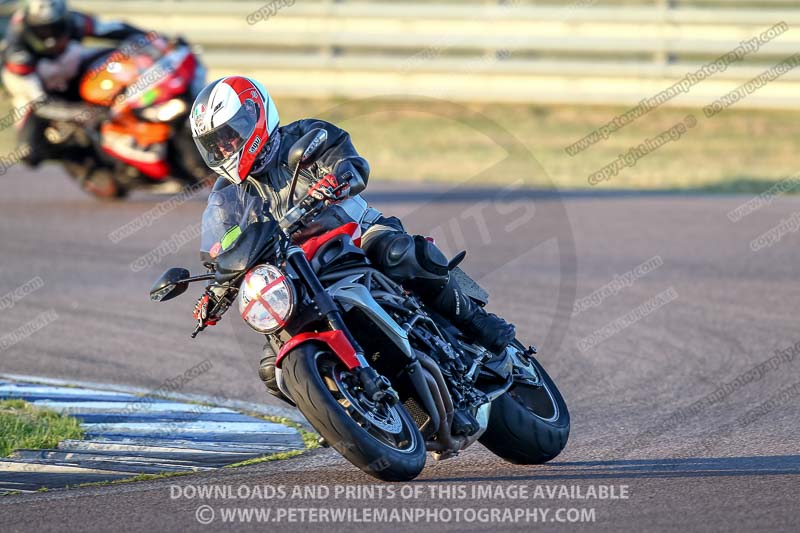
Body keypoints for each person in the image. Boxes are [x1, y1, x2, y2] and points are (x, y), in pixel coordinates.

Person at [189, 75, 516, 401]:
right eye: (215, 144)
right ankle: (345, 411)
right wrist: (216, 290)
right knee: (271, 370)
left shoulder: (303, 136)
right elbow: (227, 249)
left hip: (357, 235)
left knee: (398, 252)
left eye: (230, 137)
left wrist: (336, 179)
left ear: (253, 115)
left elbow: (351, 163)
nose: (225, 148)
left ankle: (476, 321)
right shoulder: (227, 198)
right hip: (300, 276)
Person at [1, 0, 150, 167]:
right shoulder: (17, 54)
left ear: (64, 21)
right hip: (35, 91)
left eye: (56, 28)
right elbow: (41, 104)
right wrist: (82, 112)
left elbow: (112, 28)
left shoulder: (75, 21)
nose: (51, 38)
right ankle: (80, 160)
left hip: (71, 68)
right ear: (30, 27)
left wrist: (149, 37)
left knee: (119, 57)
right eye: (42, 31)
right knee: (29, 152)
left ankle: (139, 111)